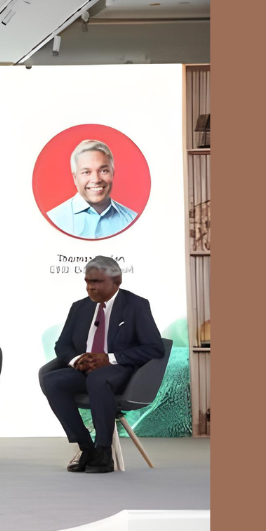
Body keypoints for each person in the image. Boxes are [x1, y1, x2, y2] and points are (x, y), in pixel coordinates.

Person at [41, 256, 165, 473]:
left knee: (99, 379)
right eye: (87, 281)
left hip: (120, 369)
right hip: (84, 368)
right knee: (53, 381)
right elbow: (62, 344)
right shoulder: (79, 307)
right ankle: (86, 447)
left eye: (97, 281)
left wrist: (110, 358)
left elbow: (154, 348)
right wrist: (75, 360)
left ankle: (104, 451)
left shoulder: (136, 305)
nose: (90, 287)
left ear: (117, 280)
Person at [46, 140, 139, 239]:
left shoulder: (132, 220)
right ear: (75, 178)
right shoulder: (54, 220)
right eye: (86, 172)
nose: (96, 180)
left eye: (103, 171)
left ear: (113, 174)